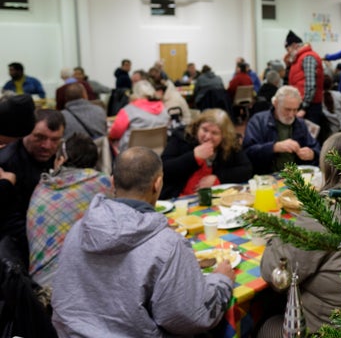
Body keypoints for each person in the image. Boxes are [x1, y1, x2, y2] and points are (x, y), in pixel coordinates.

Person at [51, 147, 235, 336]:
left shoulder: (78, 229)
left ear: (113, 181)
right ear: (157, 183)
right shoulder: (167, 244)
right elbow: (192, 319)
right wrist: (221, 280)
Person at [257, 131, 341, 337]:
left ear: (327, 167)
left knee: (265, 324)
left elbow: (275, 272)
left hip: (329, 329)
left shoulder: (326, 211)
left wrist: (276, 236)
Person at [27, 133, 112, 287]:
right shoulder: (103, 182)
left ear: (61, 160)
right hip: (76, 286)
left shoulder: (42, 187)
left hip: (38, 287)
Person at [0, 109, 64, 268]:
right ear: (25, 133)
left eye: (54, 140)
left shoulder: (60, 159)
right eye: (39, 137)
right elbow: (9, 220)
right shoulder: (7, 163)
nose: (47, 146)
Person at [161, 108, 253, 198]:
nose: (208, 136)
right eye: (204, 130)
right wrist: (193, 157)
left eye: (215, 133)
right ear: (197, 127)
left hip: (213, 198)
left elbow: (246, 169)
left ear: (224, 136)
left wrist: (218, 177)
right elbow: (163, 169)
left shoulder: (230, 142)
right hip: (179, 197)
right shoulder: (182, 137)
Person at [243, 85, 320, 175]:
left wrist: (312, 154)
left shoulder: (299, 123)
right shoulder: (258, 121)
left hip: (295, 176)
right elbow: (248, 152)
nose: (291, 115)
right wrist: (274, 147)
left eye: (295, 110)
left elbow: (316, 147)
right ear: (275, 103)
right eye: (287, 109)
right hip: (267, 177)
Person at [108, 80, 169, 153]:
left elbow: (115, 134)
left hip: (131, 153)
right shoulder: (163, 108)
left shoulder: (129, 110)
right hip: (157, 152)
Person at [284, 30, 326, 131]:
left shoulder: (308, 57)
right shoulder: (298, 59)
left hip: (309, 107)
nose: (288, 53)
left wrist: (304, 108)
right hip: (302, 104)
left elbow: (311, 85)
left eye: (288, 49)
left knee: (310, 139)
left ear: (294, 46)